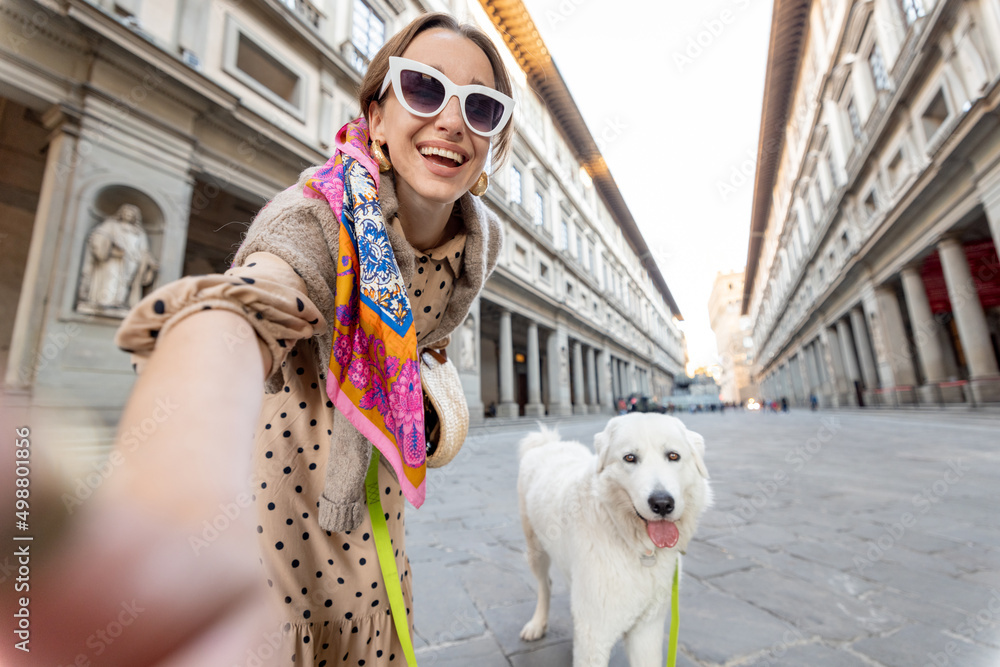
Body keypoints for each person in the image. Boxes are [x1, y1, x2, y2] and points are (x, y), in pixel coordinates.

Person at [10, 12, 514, 667]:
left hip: (377, 519)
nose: (451, 119)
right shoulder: (319, 212)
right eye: (423, 88)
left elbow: (427, 330)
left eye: (480, 105)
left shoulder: (478, 243)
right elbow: (242, 307)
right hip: (277, 519)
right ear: (377, 117)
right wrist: (180, 498)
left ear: (492, 140)